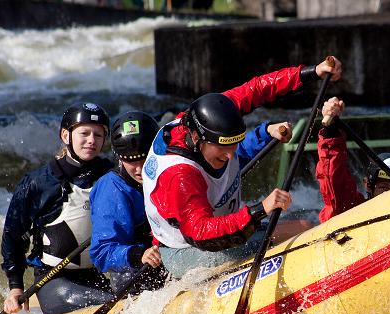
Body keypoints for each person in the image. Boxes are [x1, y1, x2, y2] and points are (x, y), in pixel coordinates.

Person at [143, 57, 341, 278]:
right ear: (197, 138)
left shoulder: (204, 119)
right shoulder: (179, 175)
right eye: (222, 148)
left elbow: (256, 89)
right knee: (302, 229)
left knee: (303, 225)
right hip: (187, 252)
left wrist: (311, 72)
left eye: (234, 144)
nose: (230, 155)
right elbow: (201, 233)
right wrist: (259, 210)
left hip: (208, 227)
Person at [1, 102, 115, 314]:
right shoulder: (39, 183)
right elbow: (13, 237)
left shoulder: (111, 176)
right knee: (114, 303)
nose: (91, 140)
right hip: (54, 282)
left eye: (98, 135)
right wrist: (15, 287)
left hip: (98, 276)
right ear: (65, 135)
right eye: (84, 133)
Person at [315, 97, 390, 223]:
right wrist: (331, 130)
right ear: (368, 185)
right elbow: (334, 179)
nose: (389, 195)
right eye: (383, 187)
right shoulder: (352, 210)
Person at [90, 111, 167, 294]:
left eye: (145, 159)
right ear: (119, 157)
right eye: (132, 162)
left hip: (171, 258)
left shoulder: (171, 169)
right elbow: (102, 252)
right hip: (136, 274)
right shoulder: (112, 189)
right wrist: (139, 255)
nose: (140, 169)